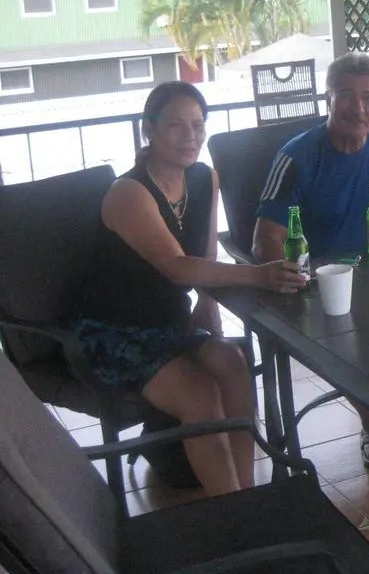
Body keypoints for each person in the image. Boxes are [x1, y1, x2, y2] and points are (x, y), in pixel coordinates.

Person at [72, 82, 308, 496]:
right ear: (149, 129)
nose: (190, 136)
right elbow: (178, 267)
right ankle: (231, 508)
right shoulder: (128, 193)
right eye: (176, 126)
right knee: (200, 395)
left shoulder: (203, 177)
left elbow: (205, 251)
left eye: (198, 125)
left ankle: (247, 494)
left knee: (233, 362)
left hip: (170, 321)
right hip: (115, 330)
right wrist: (259, 274)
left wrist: (206, 301)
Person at [253, 51, 369, 467]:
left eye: (368, 97)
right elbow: (266, 243)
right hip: (321, 283)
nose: (358, 108)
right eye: (346, 95)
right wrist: (302, 280)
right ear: (329, 98)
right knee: (348, 333)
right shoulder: (297, 156)